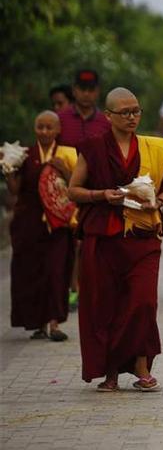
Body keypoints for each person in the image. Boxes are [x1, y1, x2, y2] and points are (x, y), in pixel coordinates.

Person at [68, 87, 163, 392]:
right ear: (109, 116)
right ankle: (112, 370)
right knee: (107, 304)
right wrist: (101, 195)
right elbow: (73, 190)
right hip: (104, 237)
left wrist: (160, 200)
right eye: (125, 112)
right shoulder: (93, 148)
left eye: (136, 111)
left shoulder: (153, 147)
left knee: (143, 302)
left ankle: (141, 365)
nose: (132, 117)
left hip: (142, 236)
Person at [7, 111, 77, 341]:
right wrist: (8, 172)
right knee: (32, 272)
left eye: (49, 128)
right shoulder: (25, 155)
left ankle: (54, 323)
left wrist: (64, 170)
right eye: (40, 127)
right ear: (34, 128)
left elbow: (78, 184)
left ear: (58, 130)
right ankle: (37, 322)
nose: (44, 132)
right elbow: (15, 190)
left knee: (56, 271)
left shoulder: (67, 153)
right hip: (30, 223)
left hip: (58, 224)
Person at [57, 69, 110, 149]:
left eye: (91, 90)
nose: (86, 94)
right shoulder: (59, 119)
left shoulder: (106, 123)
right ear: (74, 90)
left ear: (97, 92)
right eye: (82, 89)